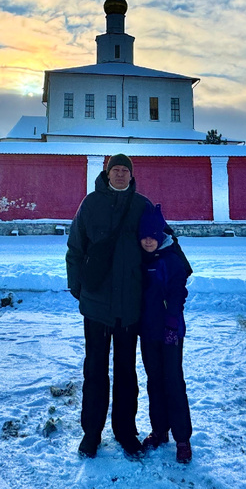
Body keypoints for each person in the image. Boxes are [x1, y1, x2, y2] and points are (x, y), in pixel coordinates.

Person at [66, 153, 153, 460]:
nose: (119, 175)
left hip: (129, 306)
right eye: (115, 170)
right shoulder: (90, 204)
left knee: (126, 372)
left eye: (124, 171)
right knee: (95, 371)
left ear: (131, 175)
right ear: (107, 174)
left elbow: (161, 245)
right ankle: (91, 434)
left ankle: (126, 432)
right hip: (97, 306)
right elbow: (75, 249)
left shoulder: (142, 206)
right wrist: (79, 289)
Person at [137, 203, 194, 464]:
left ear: (161, 236)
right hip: (147, 331)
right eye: (144, 236)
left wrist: (171, 325)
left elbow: (177, 294)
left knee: (173, 381)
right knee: (154, 381)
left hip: (170, 332)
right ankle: (160, 430)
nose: (148, 241)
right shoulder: (140, 258)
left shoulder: (171, 260)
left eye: (153, 236)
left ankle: (183, 438)